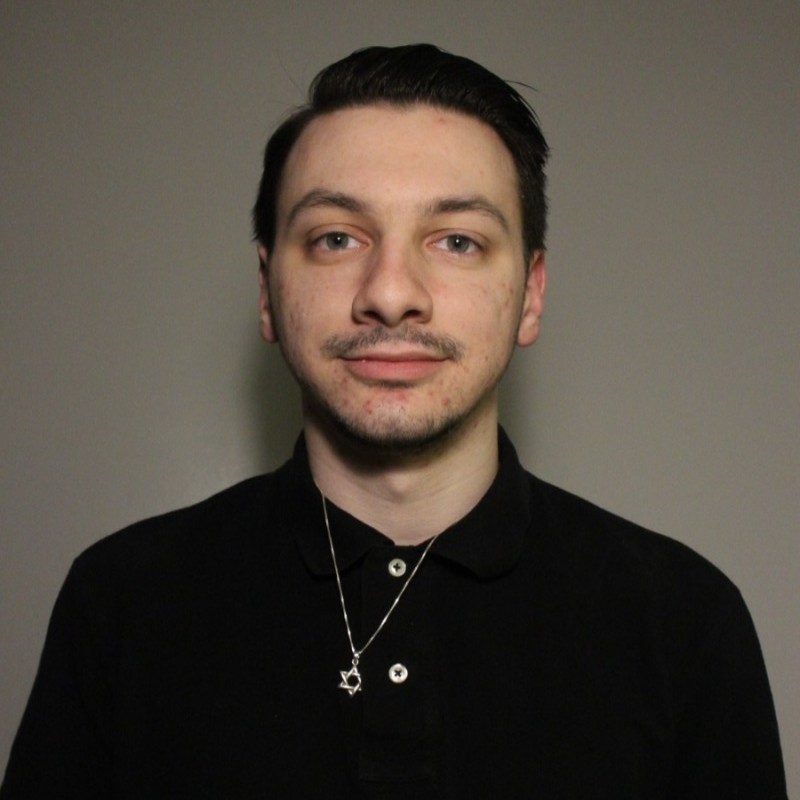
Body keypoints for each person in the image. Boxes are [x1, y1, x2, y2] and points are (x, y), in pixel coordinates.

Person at [0, 44, 787, 799]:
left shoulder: (684, 621)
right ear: (269, 291)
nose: (390, 292)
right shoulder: (123, 604)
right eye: (336, 237)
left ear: (532, 294)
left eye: (457, 241)